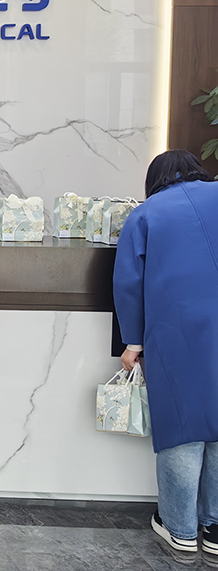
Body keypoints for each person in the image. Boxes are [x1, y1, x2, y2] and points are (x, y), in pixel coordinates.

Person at [113, 149, 218, 556]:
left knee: (182, 427)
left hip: (177, 333)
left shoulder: (147, 214)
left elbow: (128, 282)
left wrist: (133, 342)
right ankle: (214, 527)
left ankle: (181, 528)